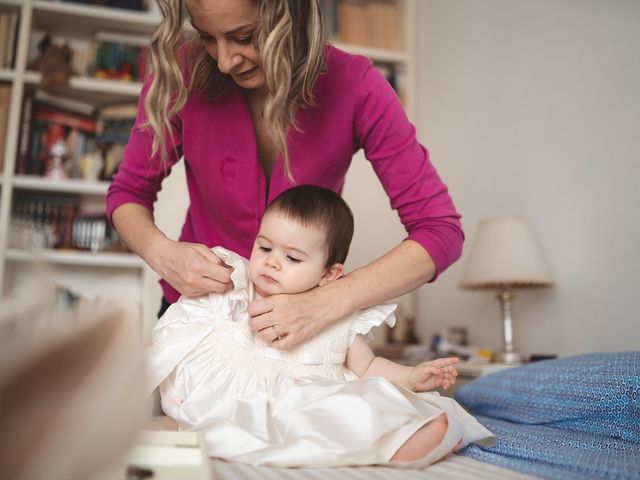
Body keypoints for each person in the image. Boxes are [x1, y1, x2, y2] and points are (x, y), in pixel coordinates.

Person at [106, 0, 464, 350]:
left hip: (298, 330)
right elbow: (127, 195)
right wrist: (163, 254)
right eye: (208, 38)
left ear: (292, 13)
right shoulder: (180, 73)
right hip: (194, 321)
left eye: (245, 36)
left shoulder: (357, 85)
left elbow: (440, 230)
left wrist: (327, 302)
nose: (226, 61)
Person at [146, 185, 494, 468]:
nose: (271, 262)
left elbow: (368, 368)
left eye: (292, 258)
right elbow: (187, 333)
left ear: (329, 275)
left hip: (298, 404)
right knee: (206, 415)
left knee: (357, 405)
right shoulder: (237, 290)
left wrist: (410, 377)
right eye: (264, 246)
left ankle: (393, 442)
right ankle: (176, 425)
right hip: (227, 397)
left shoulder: (337, 314)